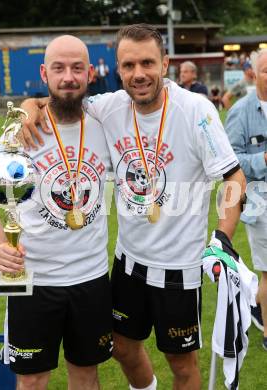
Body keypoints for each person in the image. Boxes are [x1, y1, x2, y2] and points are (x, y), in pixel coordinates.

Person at [20, 24, 246, 390]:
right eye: (128, 65)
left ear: (165, 63)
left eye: (147, 63)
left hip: (180, 267)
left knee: (182, 362)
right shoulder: (108, 107)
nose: (138, 74)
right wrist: (30, 106)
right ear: (118, 69)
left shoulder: (196, 111)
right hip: (128, 263)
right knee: (121, 347)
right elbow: (60, 98)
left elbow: (235, 179)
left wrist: (222, 237)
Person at [0, 35, 113, 390]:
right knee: (33, 380)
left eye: (77, 68)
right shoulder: (20, 130)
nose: (68, 76)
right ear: (44, 73)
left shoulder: (104, 121)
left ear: (90, 73)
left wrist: (31, 103)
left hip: (91, 278)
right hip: (34, 282)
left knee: (85, 375)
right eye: (59, 68)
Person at [225, 48, 267, 351]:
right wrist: (263, 159)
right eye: (266, 69)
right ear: (253, 74)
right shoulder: (241, 110)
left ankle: (254, 303)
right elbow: (231, 160)